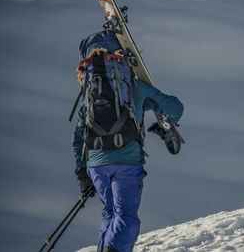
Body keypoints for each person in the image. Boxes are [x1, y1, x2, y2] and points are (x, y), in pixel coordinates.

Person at [72, 30, 183, 252]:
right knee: (126, 217)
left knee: (110, 213)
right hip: (126, 160)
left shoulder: (90, 89)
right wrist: (162, 118)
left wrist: (82, 172)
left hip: (95, 164)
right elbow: (176, 108)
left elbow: (78, 135)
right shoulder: (132, 85)